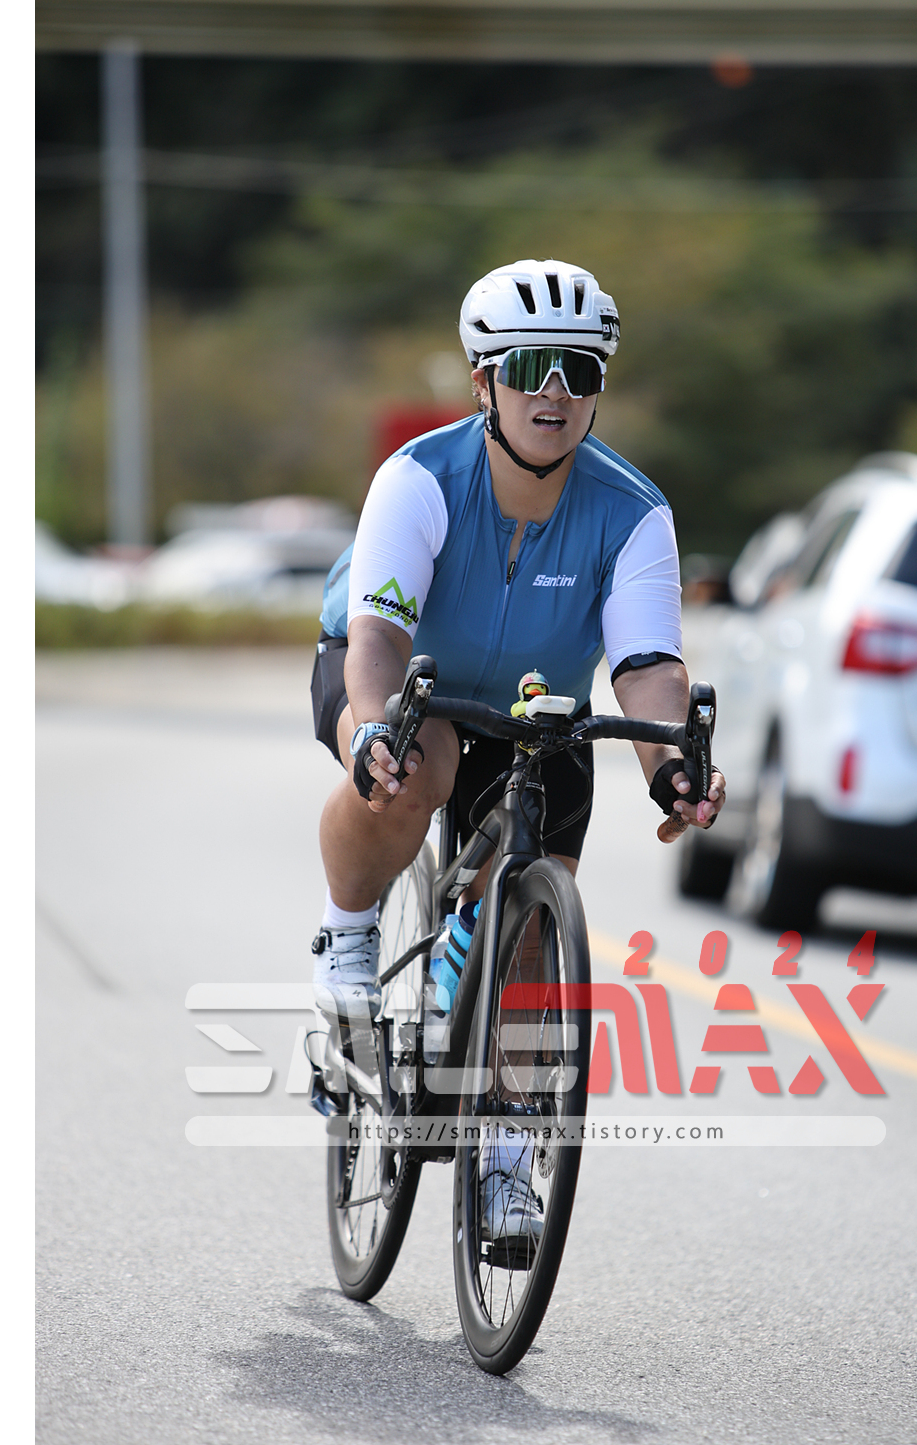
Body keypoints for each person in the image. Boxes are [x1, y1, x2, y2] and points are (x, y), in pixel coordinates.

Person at [308, 258, 725, 1235]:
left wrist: (672, 766)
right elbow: (379, 637)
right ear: (483, 382)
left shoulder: (633, 511)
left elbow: (648, 664)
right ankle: (347, 937)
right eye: (534, 367)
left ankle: (504, 1155)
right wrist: (374, 728)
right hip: (399, 676)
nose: (556, 392)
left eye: (581, 372)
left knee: (536, 920)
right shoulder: (419, 478)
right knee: (418, 762)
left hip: (539, 707)